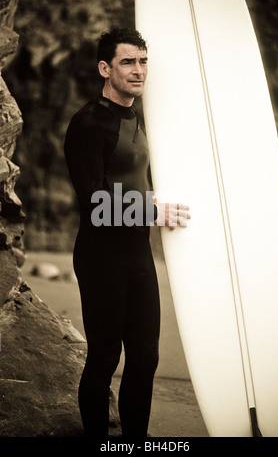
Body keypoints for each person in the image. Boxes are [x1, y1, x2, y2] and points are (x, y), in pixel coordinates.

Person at [64, 27, 190, 439]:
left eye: (143, 61)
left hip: (137, 256)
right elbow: (95, 202)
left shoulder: (136, 117)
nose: (139, 70)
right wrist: (154, 210)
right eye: (128, 62)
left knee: (146, 357)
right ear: (106, 68)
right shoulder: (88, 123)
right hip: (101, 257)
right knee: (104, 356)